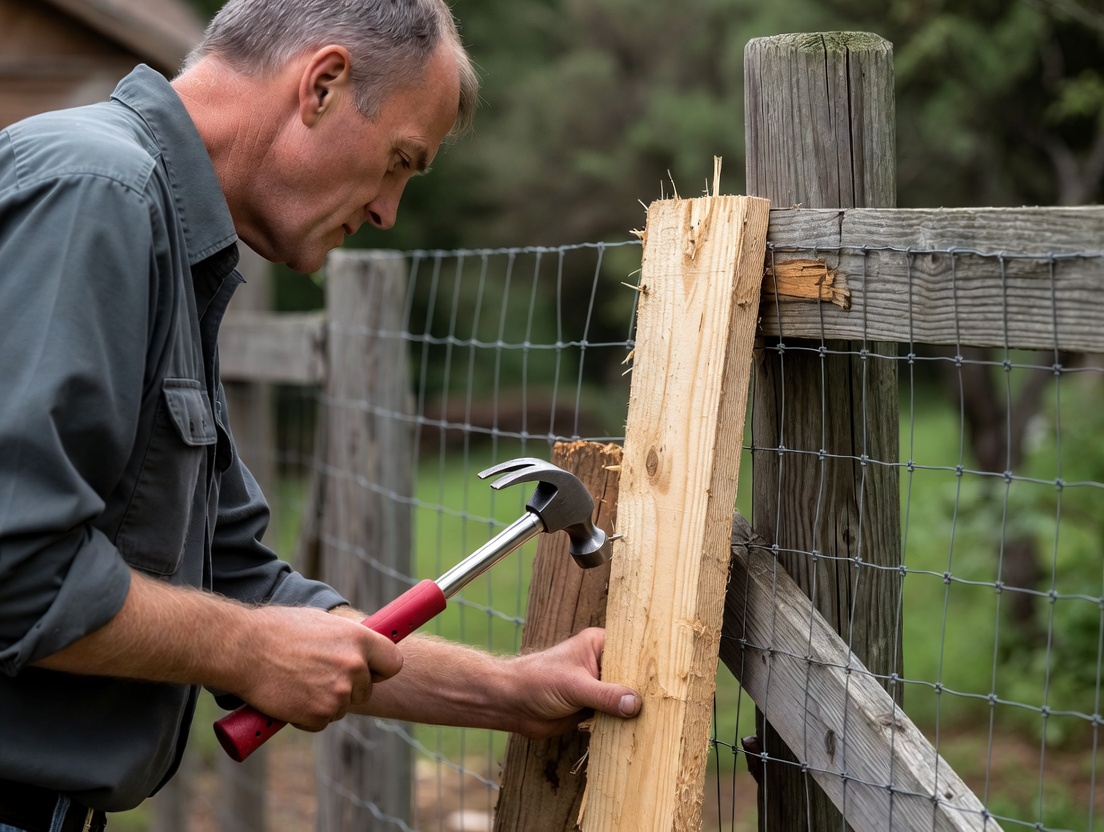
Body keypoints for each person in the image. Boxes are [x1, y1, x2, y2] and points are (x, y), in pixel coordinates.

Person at [0, 1, 642, 829]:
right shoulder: (99, 194)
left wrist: (512, 692)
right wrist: (247, 649)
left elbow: (237, 585)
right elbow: (17, 566)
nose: (387, 212)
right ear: (324, 84)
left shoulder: (163, 228)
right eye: (398, 162)